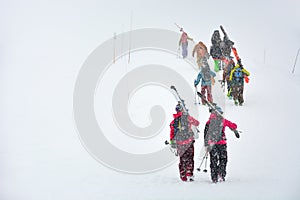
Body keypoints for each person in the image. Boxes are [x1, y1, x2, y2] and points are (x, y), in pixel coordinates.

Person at [203, 106, 238, 183]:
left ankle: (214, 177)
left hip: (211, 144)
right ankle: (221, 174)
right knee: (223, 159)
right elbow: (233, 125)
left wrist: (206, 145)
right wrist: (234, 128)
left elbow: (205, 134)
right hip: (221, 143)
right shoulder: (223, 121)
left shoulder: (209, 122)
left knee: (213, 160)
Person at [169, 102, 200, 182]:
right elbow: (197, 123)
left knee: (182, 159)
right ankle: (189, 173)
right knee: (190, 158)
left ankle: (183, 175)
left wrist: (172, 142)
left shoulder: (173, 121)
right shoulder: (187, 118)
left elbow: (172, 134)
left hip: (179, 143)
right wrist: (189, 116)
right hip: (189, 142)